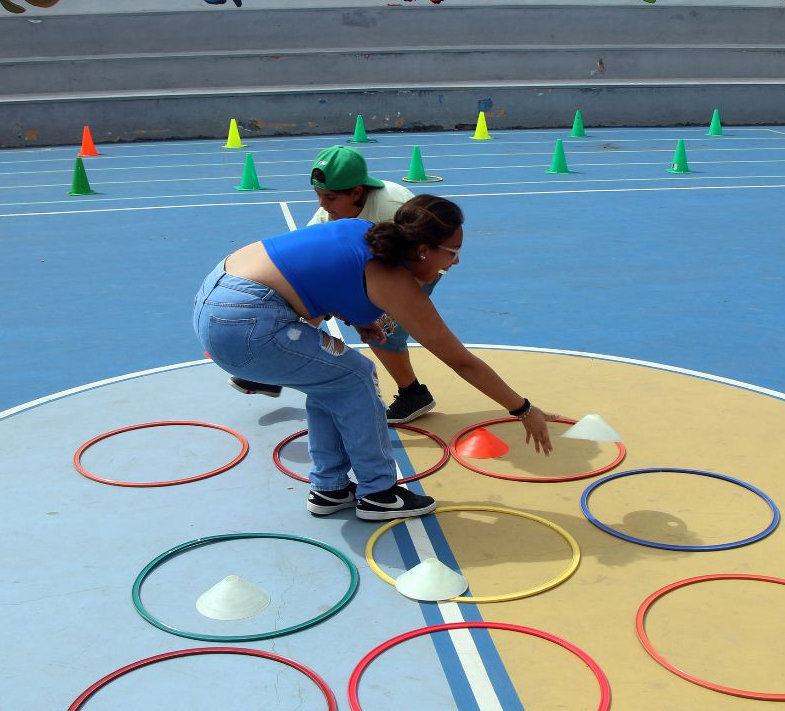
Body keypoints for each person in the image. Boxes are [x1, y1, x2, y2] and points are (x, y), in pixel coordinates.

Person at [194, 193, 554, 521]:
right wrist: (523, 408)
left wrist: (358, 319)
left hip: (215, 301)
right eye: (452, 251)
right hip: (246, 321)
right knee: (356, 375)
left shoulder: (363, 232)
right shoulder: (392, 278)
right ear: (423, 249)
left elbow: (320, 275)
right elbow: (460, 361)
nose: (456, 261)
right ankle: (379, 493)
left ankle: (331, 488)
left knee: (330, 380)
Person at [230, 146, 441, 422]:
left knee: (383, 332)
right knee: (309, 295)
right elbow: (308, 261)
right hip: (372, 264)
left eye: (330, 197)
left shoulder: (393, 209)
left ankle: (413, 394)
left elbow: (428, 255)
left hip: (416, 266)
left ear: (357, 192)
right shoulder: (328, 215)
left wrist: (395, 299)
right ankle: (274, 369)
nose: (322, 204)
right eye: (318, 195)